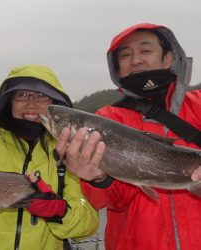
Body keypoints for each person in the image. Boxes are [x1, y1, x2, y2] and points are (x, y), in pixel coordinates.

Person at [55, 23, 201, 250]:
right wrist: (97, 179)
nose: (136, 60)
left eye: (146, 51)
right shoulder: (107, 119)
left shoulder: (199, 105)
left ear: (168, 58)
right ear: (117, 68)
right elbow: (110, 201)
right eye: (125, 55)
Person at [0, 65, 99, 249]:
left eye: (41, 96)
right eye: (21, 95)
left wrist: (59, 211)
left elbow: (89, 224)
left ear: (55, 106)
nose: (31, 103)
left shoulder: (71, 156)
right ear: (9, 103)